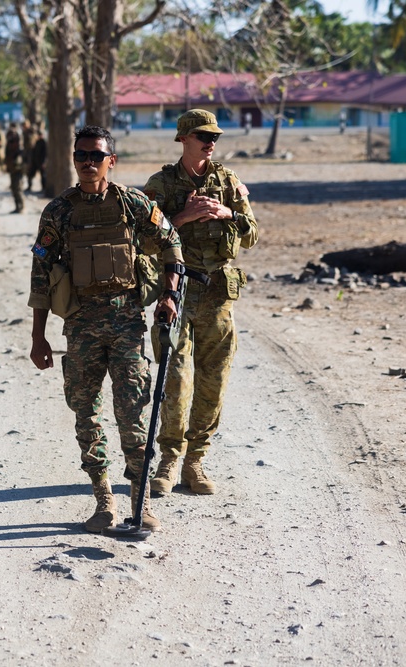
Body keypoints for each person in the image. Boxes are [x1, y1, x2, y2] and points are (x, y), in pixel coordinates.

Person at [28, 125, 184, 534]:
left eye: (96, 155)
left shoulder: (132, 203)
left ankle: (140, 501)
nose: (88, 162)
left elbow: (171, 241)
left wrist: (169, 295)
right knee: (86, 414)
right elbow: (40, 275)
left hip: (127, 325)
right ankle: (103, 500)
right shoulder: (58, 211)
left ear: (111, 161)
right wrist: (37, 335)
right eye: (81, 155)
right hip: (80, 328)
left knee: (131, 414)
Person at [142, 109, 259, 497]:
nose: (210, 142)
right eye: (202, 136)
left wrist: (229, 213)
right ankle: (169, 459)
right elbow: (142, 242)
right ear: (183, 139)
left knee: (213, 380)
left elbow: (252, 234)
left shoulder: (229, 182)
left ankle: (195, 461)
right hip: (177, 291)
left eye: (215, 137)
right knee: (175, 379)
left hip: (217, 296)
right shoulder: (159, 185)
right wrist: (183, 216)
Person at [4, 122, 24, 213]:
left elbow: (20, 153)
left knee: (18, 187)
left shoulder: (18, 139)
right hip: (12, 167)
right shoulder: (9, 140)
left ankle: (21, 207)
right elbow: (7, 153)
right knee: (13, 187)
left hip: (17, 168)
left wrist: (17, 163)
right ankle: (17, 206)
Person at [27, 125, 47, 192]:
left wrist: (44, 162)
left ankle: (44, 189)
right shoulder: (37, 142)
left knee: (43, 176)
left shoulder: (44, 143)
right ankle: (29, 186)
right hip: (35, 162)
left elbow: (45, 154)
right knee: (30, 174)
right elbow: (33, 152)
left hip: (41, 162)